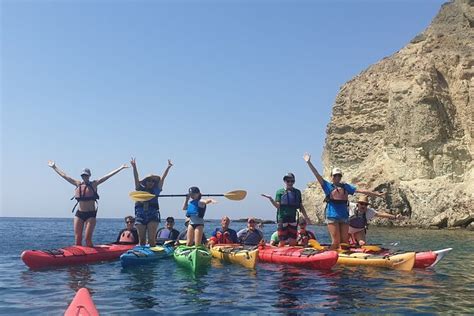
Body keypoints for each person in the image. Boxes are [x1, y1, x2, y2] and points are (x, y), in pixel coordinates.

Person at [303, 153, 385, 250]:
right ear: (332, 176)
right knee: (336, 241)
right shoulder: (327, 186)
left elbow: (361, 191)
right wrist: (309, 162)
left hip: (344, 217)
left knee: (344, 242)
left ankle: (344, 258)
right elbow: (317, 174)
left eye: (339, 175)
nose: (337, 177)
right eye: (335, 175)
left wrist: (377, 194)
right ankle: (331, 256)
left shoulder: (346, 187)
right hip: (332, 216)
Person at [48, 160, 128, 247]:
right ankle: (78, 256)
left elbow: (107, 176)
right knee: (78, 239)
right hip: (79, 214)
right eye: (83, 175)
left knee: (87, 239)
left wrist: (121, 168)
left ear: (89, 175)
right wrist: (54, 167)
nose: (84, 177)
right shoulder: (77, 184)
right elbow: (64, 176)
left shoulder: (94, 184)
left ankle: (92, 254)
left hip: (91, 214)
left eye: (86, 175)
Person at [131, 158, 173, 247]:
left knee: (151, 240)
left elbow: (163, 179)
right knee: (141, 240)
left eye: (152, 181)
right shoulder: (139, 189)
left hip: (152, 216)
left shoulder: (156, 191)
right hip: (140, 216)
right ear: (145, 182)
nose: (150, 182)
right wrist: (134, 167)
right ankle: (142, 255)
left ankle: (152, 254)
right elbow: (136, 178)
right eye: (148, 180)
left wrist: (168, 167)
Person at [261, 172, 311, 247]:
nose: (290, 183)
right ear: (285, 181)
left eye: (292, 181)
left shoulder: (297, 192)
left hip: (292, 218)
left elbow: (301, 206)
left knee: (293, 241)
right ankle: (279, 254)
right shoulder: (279, 192)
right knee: (282, 241)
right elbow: (277, 206)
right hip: (282, 218)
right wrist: (271, 199)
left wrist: (306, 217)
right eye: (288, 181)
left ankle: (291, 255)